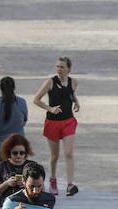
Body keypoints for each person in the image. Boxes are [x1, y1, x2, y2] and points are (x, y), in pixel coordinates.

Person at [32, 56, 79, 196]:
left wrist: (76, 102)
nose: (59, 69)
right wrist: (49, 108)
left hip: (68, 121)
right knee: (55, 155)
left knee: (69, 153)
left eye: (62, 67)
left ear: (68, 69)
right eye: (57, 66)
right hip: (52, 122)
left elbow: (70, 94)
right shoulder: (50, 82)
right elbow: (36, 100)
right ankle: (53, 179)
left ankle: (70, 185)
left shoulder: (74, 82)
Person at [0, 134, 33, 209]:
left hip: (28, 206)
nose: (18, 155)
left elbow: (41, 191)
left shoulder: (32, 166)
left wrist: (26, 185)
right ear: (9, 152)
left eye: (22, 153)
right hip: (7, 206)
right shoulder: (2, 166)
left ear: (26, 152)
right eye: (15, 153)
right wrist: (6, 184)